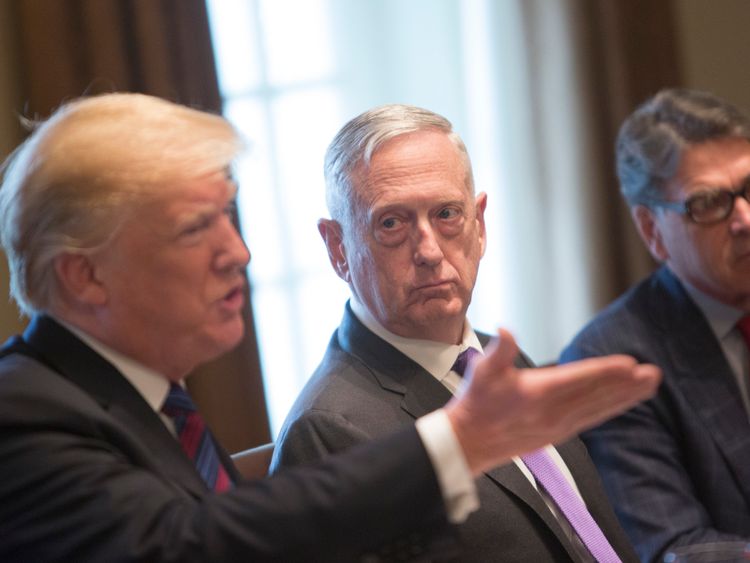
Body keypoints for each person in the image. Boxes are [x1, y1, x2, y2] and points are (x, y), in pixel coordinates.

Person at [0, 93, 659, 563]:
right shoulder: (24, 414)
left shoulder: (158, 411)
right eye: (195, 227)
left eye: (230, 218)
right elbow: (192, 543)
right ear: (85, 276)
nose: (239, 253)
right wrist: (457, 440)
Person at [271, 103, 649, 562]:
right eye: (391, 223)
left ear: (480, 224)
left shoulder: (494, 359)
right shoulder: (328, 430)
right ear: (338, 249)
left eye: (447, 213)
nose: (429, 251)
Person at [560, 88, 750, 562]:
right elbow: (673, 551)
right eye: (708, 203)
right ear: (650, 230)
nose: (745, 219)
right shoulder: (611, 363)